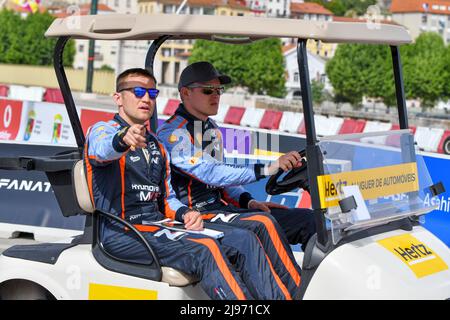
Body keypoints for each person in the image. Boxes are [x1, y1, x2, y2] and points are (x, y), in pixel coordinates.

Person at [84, 67, 300, 300]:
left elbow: (166, 199)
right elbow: (102, 149)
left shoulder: (156, 145)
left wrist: (185, 213)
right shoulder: (103, 131)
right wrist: (122, 140)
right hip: (122, 232)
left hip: (156, 226)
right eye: (137, 91)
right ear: (118, 98)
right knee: (206, 249)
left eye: (152, 93)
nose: (146, 98)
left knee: (244, 239)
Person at [157, 61, 316, 253]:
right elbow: (211, 174)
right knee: (264, 226)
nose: (215, 96)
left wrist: (248, 201)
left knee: (308, 220)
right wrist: (269, 168)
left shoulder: (211, 128)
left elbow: (222, 182)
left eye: (219, 90)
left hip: (220, 210)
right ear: (185, 93)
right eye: (208, 90)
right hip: (195, 217)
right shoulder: (174, 133)